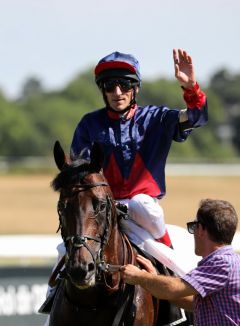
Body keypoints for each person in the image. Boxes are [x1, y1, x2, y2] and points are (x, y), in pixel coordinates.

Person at [69, 48, 208, 259]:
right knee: (64, 253)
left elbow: (197, 118)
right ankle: (53, 292)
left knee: (142, 204)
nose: (117, 92)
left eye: (124, 85)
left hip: (144, 212)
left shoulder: (156, 118)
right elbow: (80, 174)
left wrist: (190, 88)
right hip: (101, 209)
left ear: (135, 88)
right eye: (109, 86)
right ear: (102, 90)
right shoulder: (89, 124)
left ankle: (173, 262)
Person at [121, 199, 240, 326]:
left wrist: (139, 276)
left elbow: (174, 288)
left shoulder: (222, 263)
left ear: (201, 229)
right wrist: (154, 279)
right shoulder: (229, 262)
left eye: (193, 227)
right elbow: (191, 301)